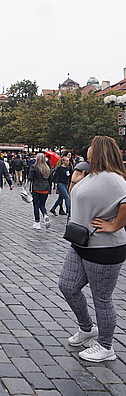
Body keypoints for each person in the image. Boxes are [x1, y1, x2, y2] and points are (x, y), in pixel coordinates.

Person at [58, 135, 126, 363]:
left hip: (103, 247)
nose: (87, 150)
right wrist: (77, 177)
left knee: (102, 299)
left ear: (98, 151)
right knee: (67, 286)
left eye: (91, 147)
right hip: (80, 242)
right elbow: (75, 196)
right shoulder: (91, 173)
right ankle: (87, 328)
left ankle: (106, 346)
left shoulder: (114, 179)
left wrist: (115, 224)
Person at [28, 153, 52, 229]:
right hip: (45, 188)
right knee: (42, 204)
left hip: (36, 188)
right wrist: (50, 189)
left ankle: (37, 222)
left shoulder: (34, 167)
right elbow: (50, 180)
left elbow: (30, 178)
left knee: (36, 205)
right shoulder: (47, 168)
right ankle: (45, 214)